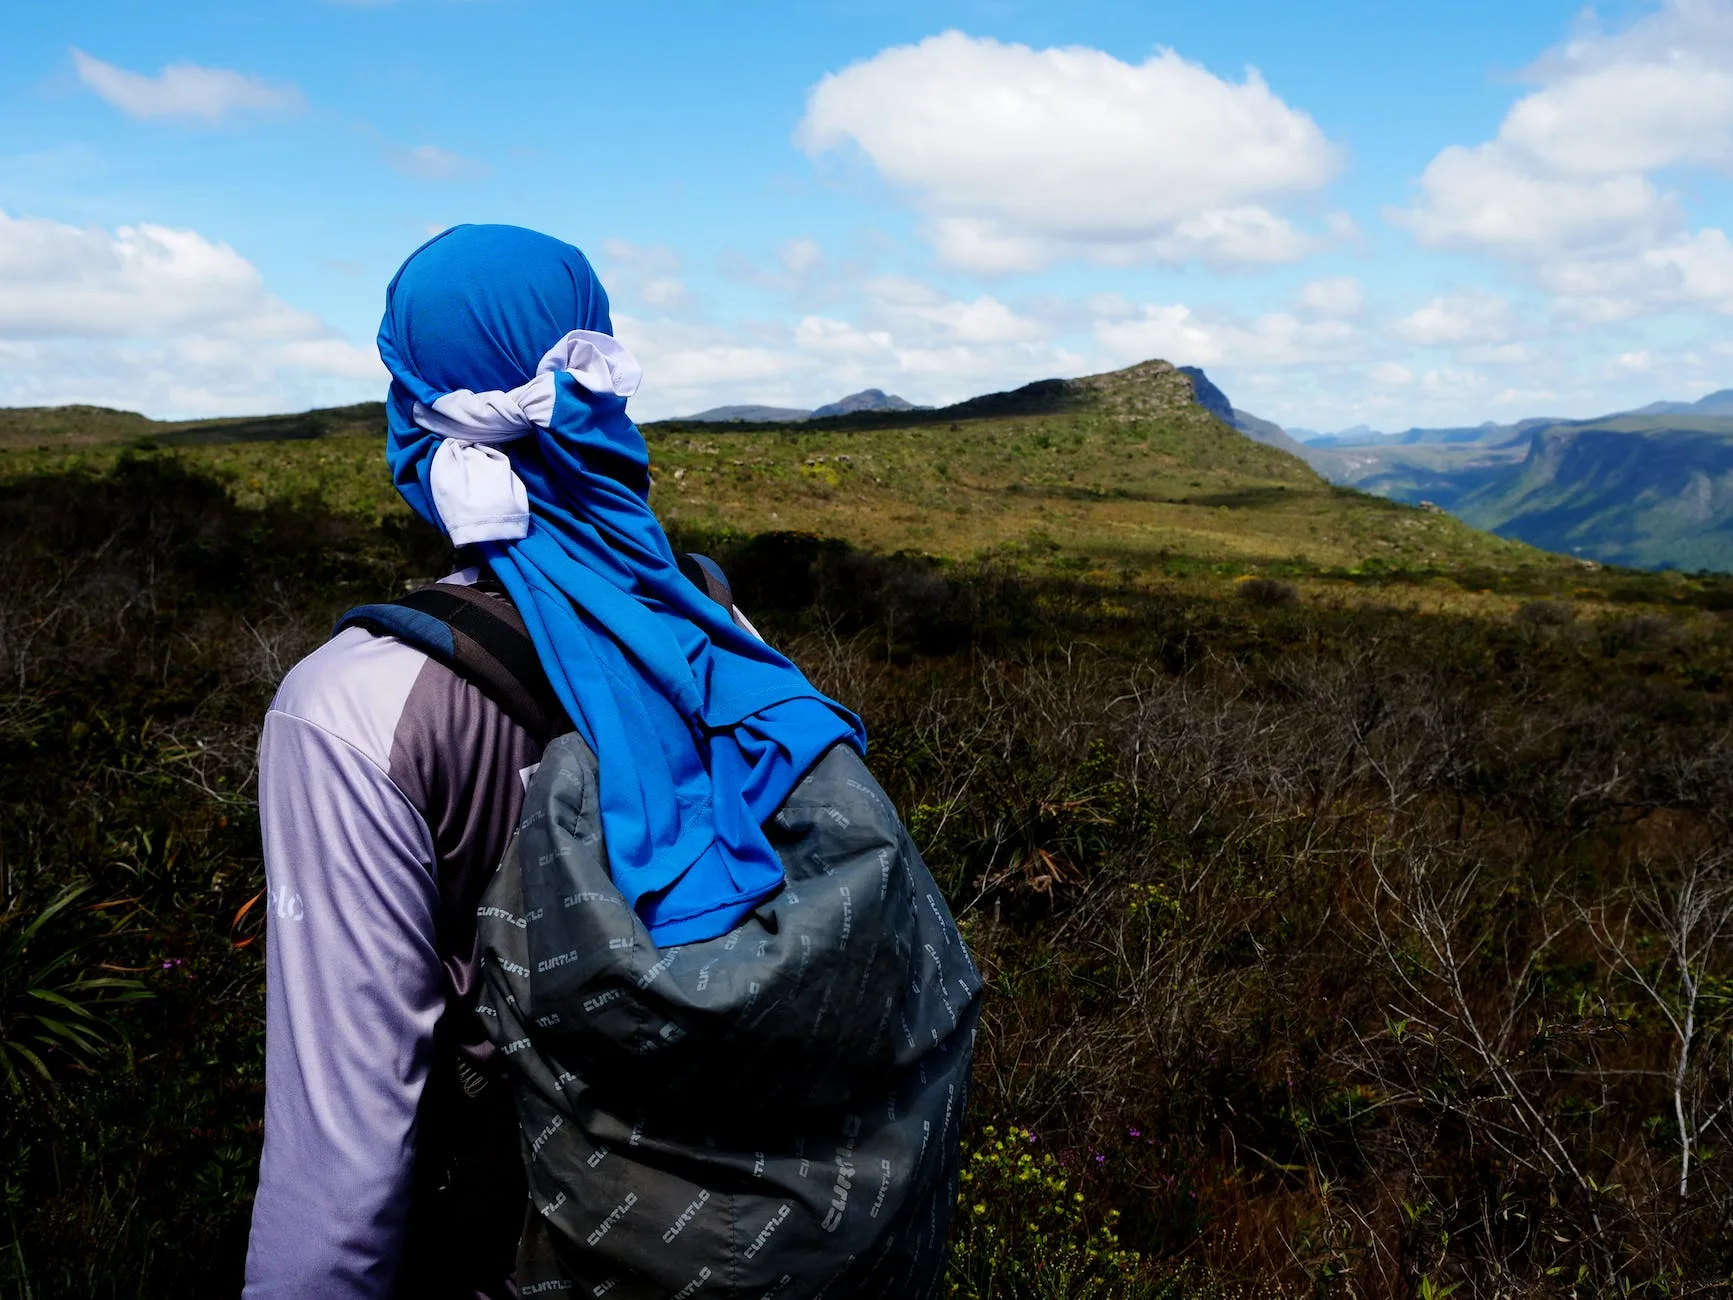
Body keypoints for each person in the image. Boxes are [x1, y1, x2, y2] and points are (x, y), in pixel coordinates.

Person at [242, 225, 873, 1298]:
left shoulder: (349, 707)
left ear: (410, 409)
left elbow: (342, 1167)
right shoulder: (721, 631)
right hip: (758, 1229)